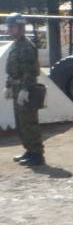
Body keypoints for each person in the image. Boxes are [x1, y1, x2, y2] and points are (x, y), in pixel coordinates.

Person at [5, 14, 44, 167]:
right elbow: (12, 69)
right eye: (9, 26)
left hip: (26, 89)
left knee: (29, 122)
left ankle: (37, 154)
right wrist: (8, 86)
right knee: (21, 122)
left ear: (20, 27)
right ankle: (29, 150)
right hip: (16, 88)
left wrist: (25, 89)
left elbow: (30, 71)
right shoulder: (15, 45)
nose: (9, 29)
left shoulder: (27, 46)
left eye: (12, 26)